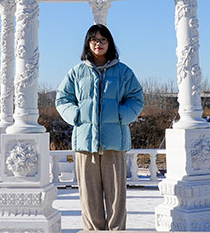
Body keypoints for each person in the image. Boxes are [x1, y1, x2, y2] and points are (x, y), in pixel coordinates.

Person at [56, 24, 144, 231]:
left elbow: (136, 98)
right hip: (85, 143)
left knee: (116, 198)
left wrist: (122, 115)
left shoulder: (123, 72)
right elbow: (62, 99)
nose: (98, 43)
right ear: (88, 44)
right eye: (94, 40)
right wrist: (76, 115)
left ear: (109, 43)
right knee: (89, 196)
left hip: (115, 141)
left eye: (103, 40)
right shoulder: (77, 72)